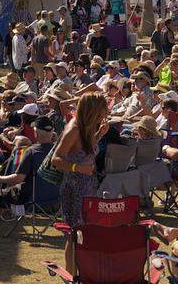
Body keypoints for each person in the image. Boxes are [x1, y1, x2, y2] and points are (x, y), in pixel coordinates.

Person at [52, 92, 107, 271]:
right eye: (101, 112)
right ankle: (71, 275)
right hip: (75, 189)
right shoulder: (74, 130)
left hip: (88, 187)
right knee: (74, 235)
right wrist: (77, 168)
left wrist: (98, 135)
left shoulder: (87, 127)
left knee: (85, 233)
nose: (103, 116)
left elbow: (85, 152)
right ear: (92, 111)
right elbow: (56, 159)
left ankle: (81, 272)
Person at [0, 116, 57, 225]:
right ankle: (14, 213)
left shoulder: (31, 152)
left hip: (32, 199)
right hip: (56, 198)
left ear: (36, 133)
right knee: (15, 191)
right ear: (52, 132)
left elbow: (17, 178)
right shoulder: (60, 152)